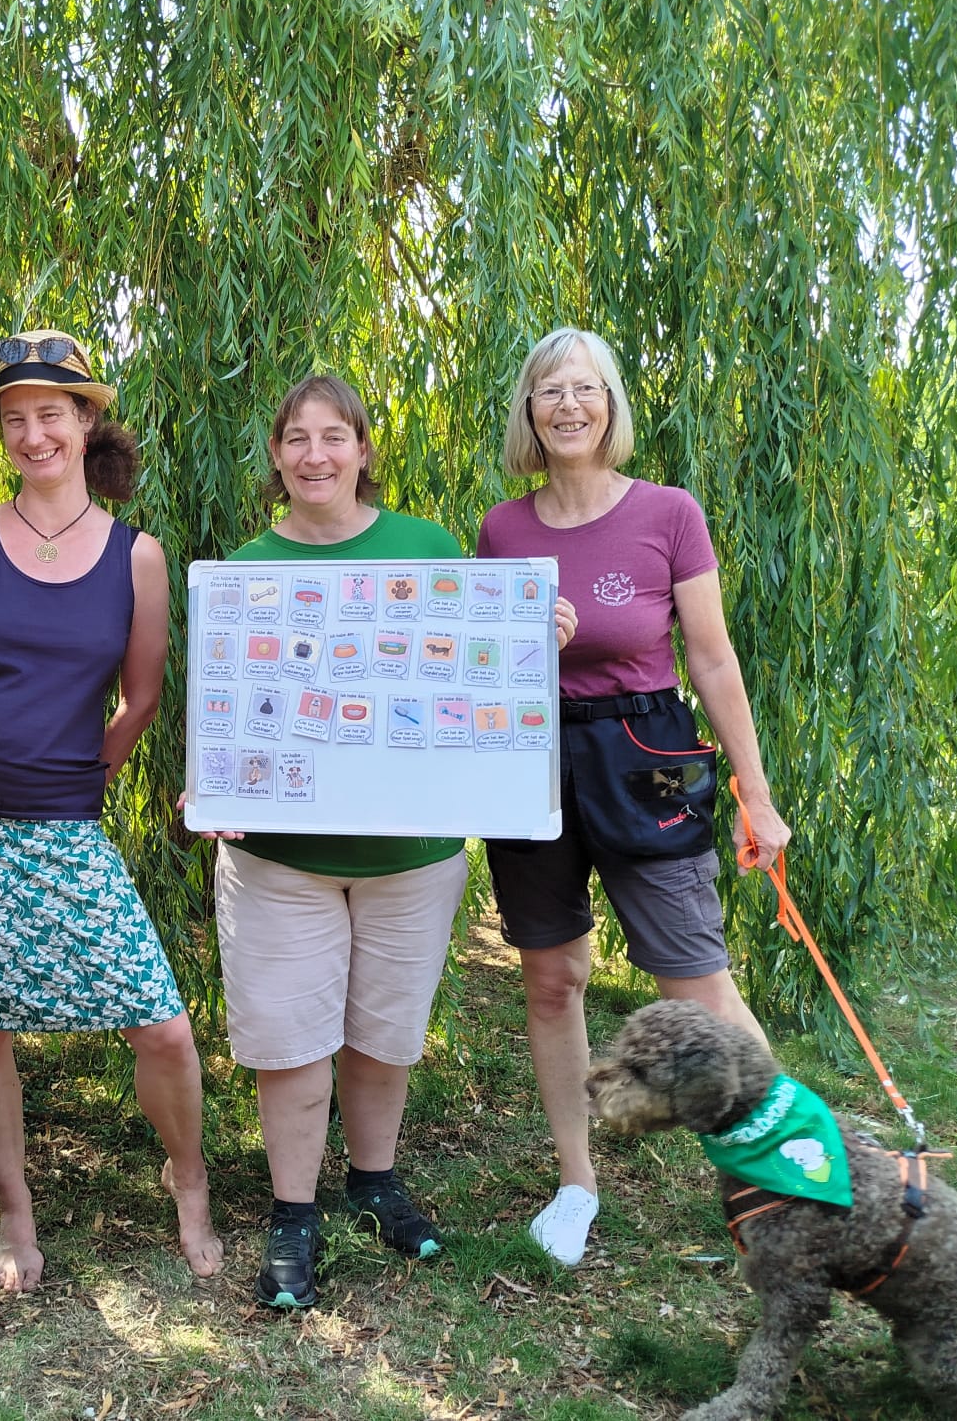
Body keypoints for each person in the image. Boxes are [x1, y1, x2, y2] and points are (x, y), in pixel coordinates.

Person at [204, 374, 575, 1310]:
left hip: (411, 860)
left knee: (385, 1033)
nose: (315, 456)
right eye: (297, 439)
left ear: (365, 449)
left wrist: (536, 635)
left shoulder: (429, 548)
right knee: (291, 1043)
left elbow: (475, 691)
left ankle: (373, 1182)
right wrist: (213, 782)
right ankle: (294, 1211)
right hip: (281, 861)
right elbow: (228, 715)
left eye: (335, 437)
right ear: (277, 457)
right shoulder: (244, 571)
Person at [0, 329, 222, 1292]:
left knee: (161, 1025)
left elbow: (141, 698)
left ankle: (187, 1179)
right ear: (1, 430)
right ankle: (15, 1217)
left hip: (61, 821)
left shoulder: (137, 557)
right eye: (15, 417)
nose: (34, 434)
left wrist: (83, 774)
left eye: (52, 414)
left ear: (86, 421)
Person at [476, 326, 792, 1267]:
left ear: (610, 405)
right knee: (550, 977)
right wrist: (526, 638)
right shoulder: (503, 529)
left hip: (644, 748)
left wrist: (756, 792)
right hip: (532, 761)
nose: (567, 405)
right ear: (528, 413)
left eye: (585, 389)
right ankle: (576, 1184)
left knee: (694, 981)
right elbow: (483, 664)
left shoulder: (668, 513)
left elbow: (711, 656)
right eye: (549, 392)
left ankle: (787, 1174)